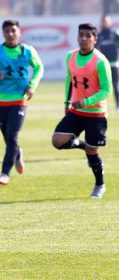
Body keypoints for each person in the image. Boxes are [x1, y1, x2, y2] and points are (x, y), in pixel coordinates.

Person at [52, 23, 112, 199]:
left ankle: (100, 185)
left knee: (92, 153)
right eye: (81, 35)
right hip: (76, 112)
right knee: (57, 141)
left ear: (95, 39)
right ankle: (83, 144)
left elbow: (107, 90)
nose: (84, 38)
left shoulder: (100, 61)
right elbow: (69, 81)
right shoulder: (70, 56)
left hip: (96, 114)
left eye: (88, 35)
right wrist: (66, 101)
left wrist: (86, 101)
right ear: (77, 37)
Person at [0, 20, 44, 186]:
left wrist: (32, 85)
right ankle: (17, 154)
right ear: (3, 33)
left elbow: (39, 68)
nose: (10, 34)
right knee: (8, 137)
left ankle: (4, 173)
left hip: (20, 99)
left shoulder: (27, 51)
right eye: (7, 31)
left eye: (13, 30)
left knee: (12, 135)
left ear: (19, 32)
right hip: (1, 101)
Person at [96, 14, 119, 113]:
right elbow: (95, 50)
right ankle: (99, 107)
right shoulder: (99, 36)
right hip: (103, 65)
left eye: (107, 21)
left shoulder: (115, 34)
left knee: (114, 85)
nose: (105, 23)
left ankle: (118, 106)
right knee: (100, 86)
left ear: (110, 22)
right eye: (103, 21)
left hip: (114, 64)